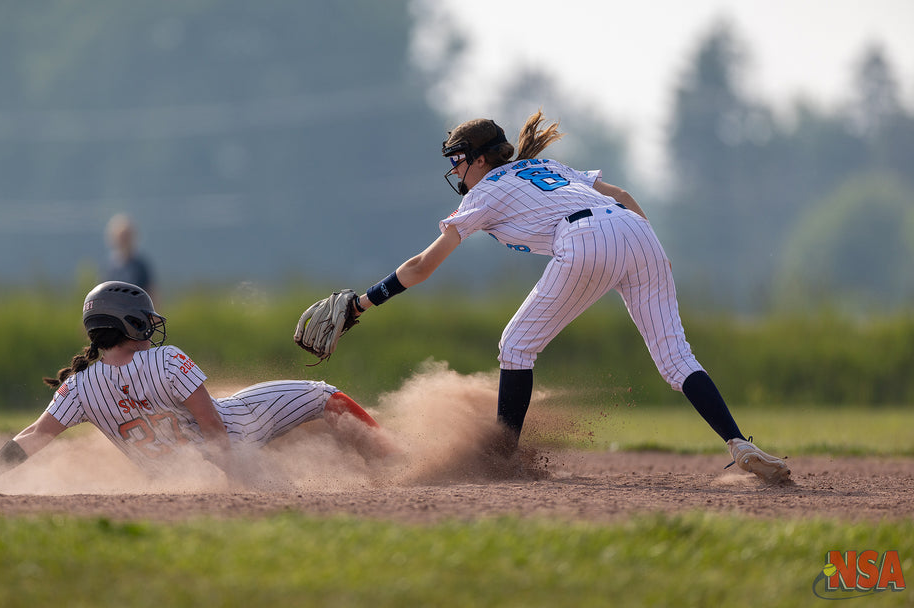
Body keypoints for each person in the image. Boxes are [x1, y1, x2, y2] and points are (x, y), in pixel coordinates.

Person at [339, 109, 791, 483]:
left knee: (516, 346)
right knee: (677, 358)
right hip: (638, 232)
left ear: (479, 160)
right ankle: (738, 442)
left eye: (458, 159)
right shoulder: (547, 168)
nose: (455, 169)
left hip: (588, 236)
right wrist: (654, 250)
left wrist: (362, 302)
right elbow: (620, 194)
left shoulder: (486, 193)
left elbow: (422, 266)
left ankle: (503, 462)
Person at [0, 281, 393, 485]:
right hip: (240, 426)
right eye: (145, 319)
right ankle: (396, 460)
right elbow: (214, 426)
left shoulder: (79, 388)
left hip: (178, 473)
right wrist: (241, 477)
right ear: (128, 323)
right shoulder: (166, 359)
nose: (152, 325)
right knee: (324, 397)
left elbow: (35, 435)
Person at [103, 213, 155, 299]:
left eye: (127, 236)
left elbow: (152, 292)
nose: (124, 240)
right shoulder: (109, 267)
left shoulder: (140, 266)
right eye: (121, 237)